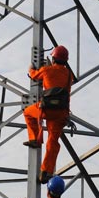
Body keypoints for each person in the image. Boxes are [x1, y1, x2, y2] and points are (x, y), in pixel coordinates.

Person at [23, 45, 73, 184]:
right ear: (66, 60)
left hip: (46, 109)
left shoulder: (46, 70)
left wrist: (30, 68)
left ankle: (35, 138)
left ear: (54, 58)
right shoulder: (69, 75)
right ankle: (46, 172)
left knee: (27, 113)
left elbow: (34, 75)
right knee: (53, 142)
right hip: (61, 113)